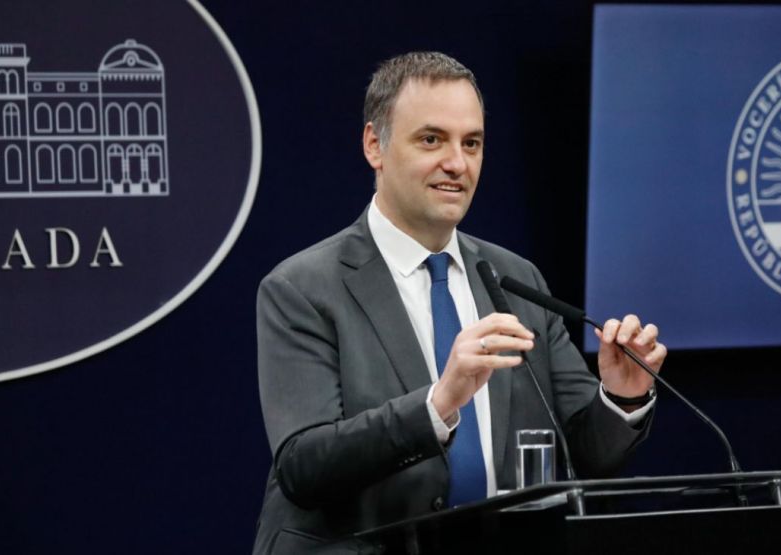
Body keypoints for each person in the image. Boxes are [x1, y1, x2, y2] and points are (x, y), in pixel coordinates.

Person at [252, 51, 666, 554]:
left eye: (472, 143)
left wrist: (621, 397)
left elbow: (588, 454)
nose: (457, 163)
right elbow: (304, 466)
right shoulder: (302, 288)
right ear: (374, 145)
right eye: (432, 139)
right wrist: (438, 404)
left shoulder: (516, 279)